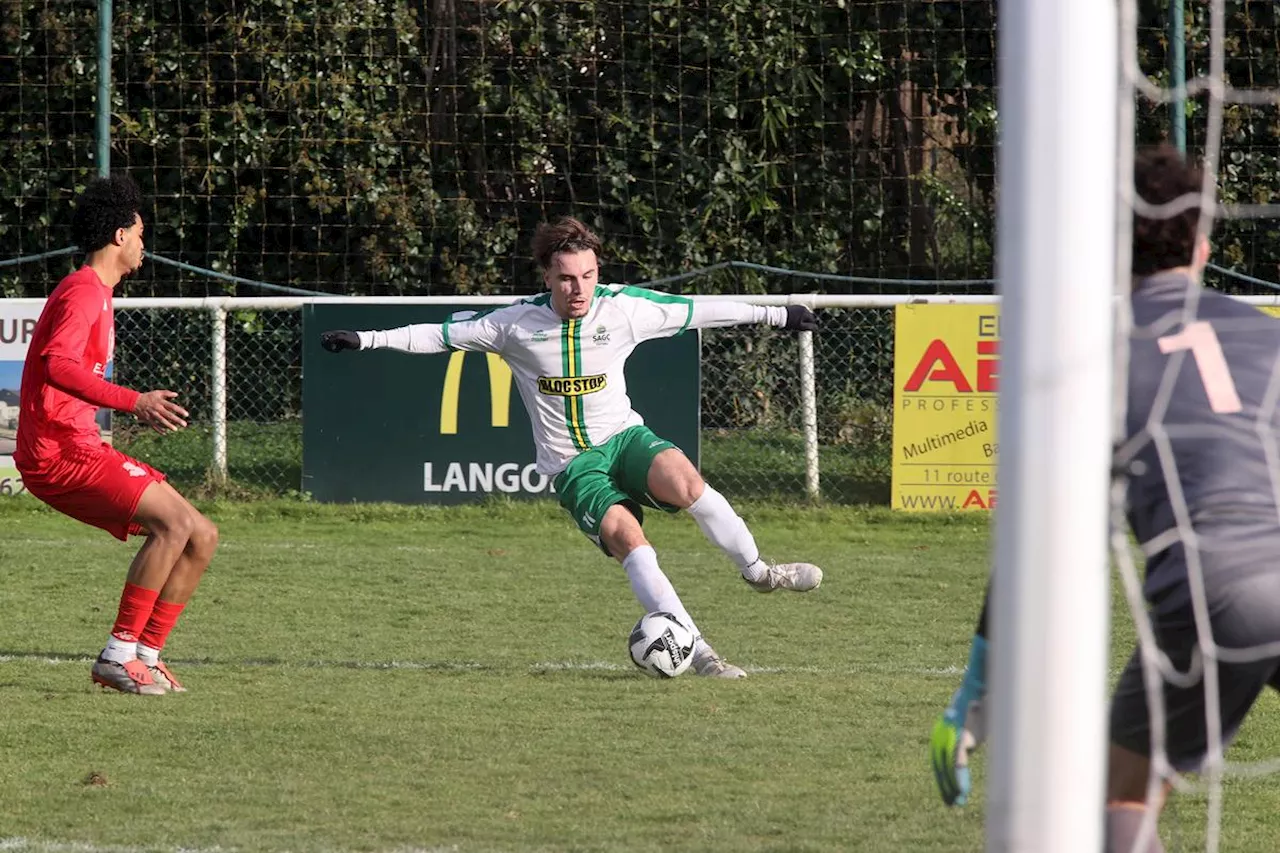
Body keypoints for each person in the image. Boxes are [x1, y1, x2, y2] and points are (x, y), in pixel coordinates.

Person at [929, 144, 1280, 851]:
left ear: (1117, 245)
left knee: (1120, 793)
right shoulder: (1267, 336)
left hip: (1216, 585)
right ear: (1206, 243)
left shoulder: (1098, 356)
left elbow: (1038, 538)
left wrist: (975, 693)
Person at [321, 216, 823, 678]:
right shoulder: (513, 325)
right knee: (630, 541)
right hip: (573, 466)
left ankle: (759, 573)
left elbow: (698, 311)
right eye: (566, 278)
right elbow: (439, 334)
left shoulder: (623, 309)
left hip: (624, 437)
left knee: (689, 483)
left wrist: (776, 314)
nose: (579, 287)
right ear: (546, 277)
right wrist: (367, 340)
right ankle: (701, 654)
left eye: (587, 275)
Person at [14, 174, 219, 695]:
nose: (145, 245)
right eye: (142, 233)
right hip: (58, 454)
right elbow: (57, 365)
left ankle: (145, 656)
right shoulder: (84, 291)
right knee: (173, 524)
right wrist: (136, 401)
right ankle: (118, 653)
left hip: (77, 447)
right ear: (121, 235)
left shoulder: (99, 293)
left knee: (202, 536)